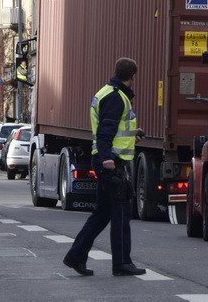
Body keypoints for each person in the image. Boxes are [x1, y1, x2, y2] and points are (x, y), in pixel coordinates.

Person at [62, 57, 146, 277]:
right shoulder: (116, 97)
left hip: (107, 159)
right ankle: (122, 263)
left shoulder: (108, 92)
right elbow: (105, 131)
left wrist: (133, 134)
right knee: (121, 213)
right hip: (111, 162)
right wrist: (107, 158)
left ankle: (75, 256)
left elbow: (112, 128)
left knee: (102, 214)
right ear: (132, 77)